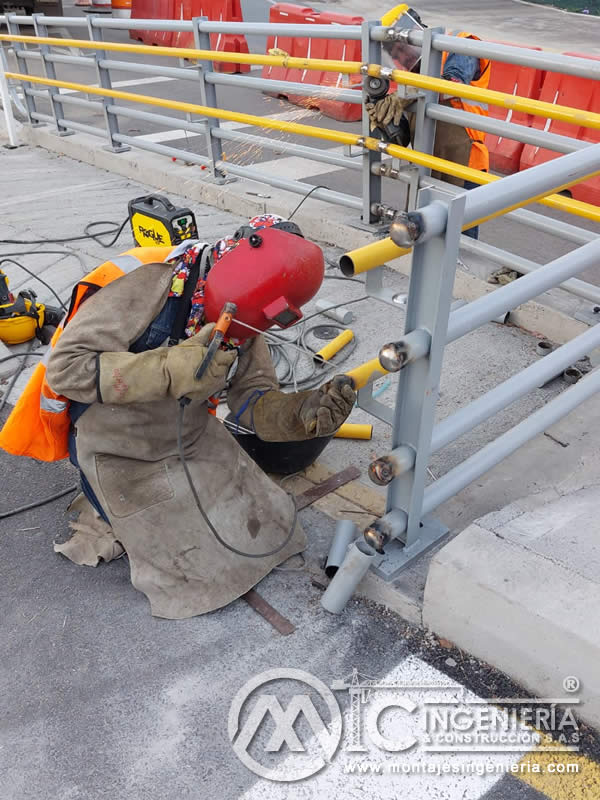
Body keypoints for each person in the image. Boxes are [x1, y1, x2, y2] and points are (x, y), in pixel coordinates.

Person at [39, 214, 355, 619]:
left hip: (189, 437)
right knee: (189, 574)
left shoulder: (246, 314)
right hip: (119, 447)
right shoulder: (149, 283)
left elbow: (250, 399)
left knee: (271, 525)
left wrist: (299, 414)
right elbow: (65, 369)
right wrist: (168, 369)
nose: (242, 334)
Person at [366, 6, 491, 239]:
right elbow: (402, 138)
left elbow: (451, 83)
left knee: (459, 246)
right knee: (426, 242)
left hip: (466, 168)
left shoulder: (458, 45)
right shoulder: (413, 81)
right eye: (395, 56)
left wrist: (406, 94)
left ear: (416, 31)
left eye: (402, 49)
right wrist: (382, 120)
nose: (402, 58)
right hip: (428, 171)